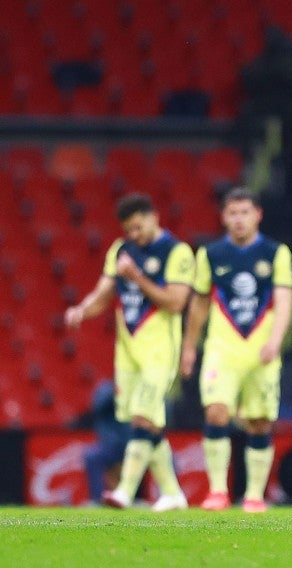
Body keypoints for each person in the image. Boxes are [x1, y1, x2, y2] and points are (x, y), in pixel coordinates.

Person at [65, 192, 193, 511]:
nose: (133, 236)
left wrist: (137, 276)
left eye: (138, 228)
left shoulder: (177, 252)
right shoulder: (120, 250)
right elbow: (104, 292)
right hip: (128, 350)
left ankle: (124, 491)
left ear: (153, 217)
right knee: (148, 422)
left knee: (141, 416)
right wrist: (82, 309)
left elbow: (176, 302)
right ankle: (173, 493)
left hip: (160, 348)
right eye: (128, 230)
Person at [179, 187, 292, 513]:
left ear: (258, 214)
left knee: (259, 422)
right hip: (222, 349)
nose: (239, 219)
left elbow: (285, 299)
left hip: (262, 351)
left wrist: (275, 340)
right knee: (216, 411)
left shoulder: (276, 253)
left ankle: (255, 495)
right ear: (224, 217)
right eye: (233, 213)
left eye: (245, 212)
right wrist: (189, 347)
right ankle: (217, 492)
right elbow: (199, 303)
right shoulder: (210, 255)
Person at [81, 379, 131, 505]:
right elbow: (98, 405)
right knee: (92, 456)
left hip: (136, 445)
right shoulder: (107, 388)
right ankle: (97, 500)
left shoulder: (140, 390)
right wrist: (116, 391)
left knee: (167, 458)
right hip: (111, 446)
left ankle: (165, 499)